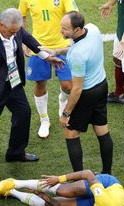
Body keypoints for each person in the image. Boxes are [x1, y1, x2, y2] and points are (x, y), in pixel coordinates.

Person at [0, 8, 64, 186]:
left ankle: (15, 152)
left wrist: (47, 57)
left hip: (12, 82)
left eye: (16, 31)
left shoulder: (15, 26)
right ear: (0, 24)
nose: (14, 35)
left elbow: (28, 39)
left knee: (24, 113)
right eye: (11, 32)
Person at [43, 11, 113, 173]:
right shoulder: (93, 29)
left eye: (65, 29)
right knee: (102, 129)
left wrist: (66, 113)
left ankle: (79, 177)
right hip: (101, 86)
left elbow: (76, 89)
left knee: (71, 134)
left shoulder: (77, 56)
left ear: (78, 29)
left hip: (87, 93)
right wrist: (58, 51)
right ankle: (107, 173)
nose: (61, 31)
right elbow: (77, 44)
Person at [18, 0, 78, 138]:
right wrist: (24, 41)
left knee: (68, 86)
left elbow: (74, 15)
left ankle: (62, 100)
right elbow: (22, 17)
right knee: (40, 84)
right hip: (37, 47)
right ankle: (44, 120)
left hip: (62, 46)